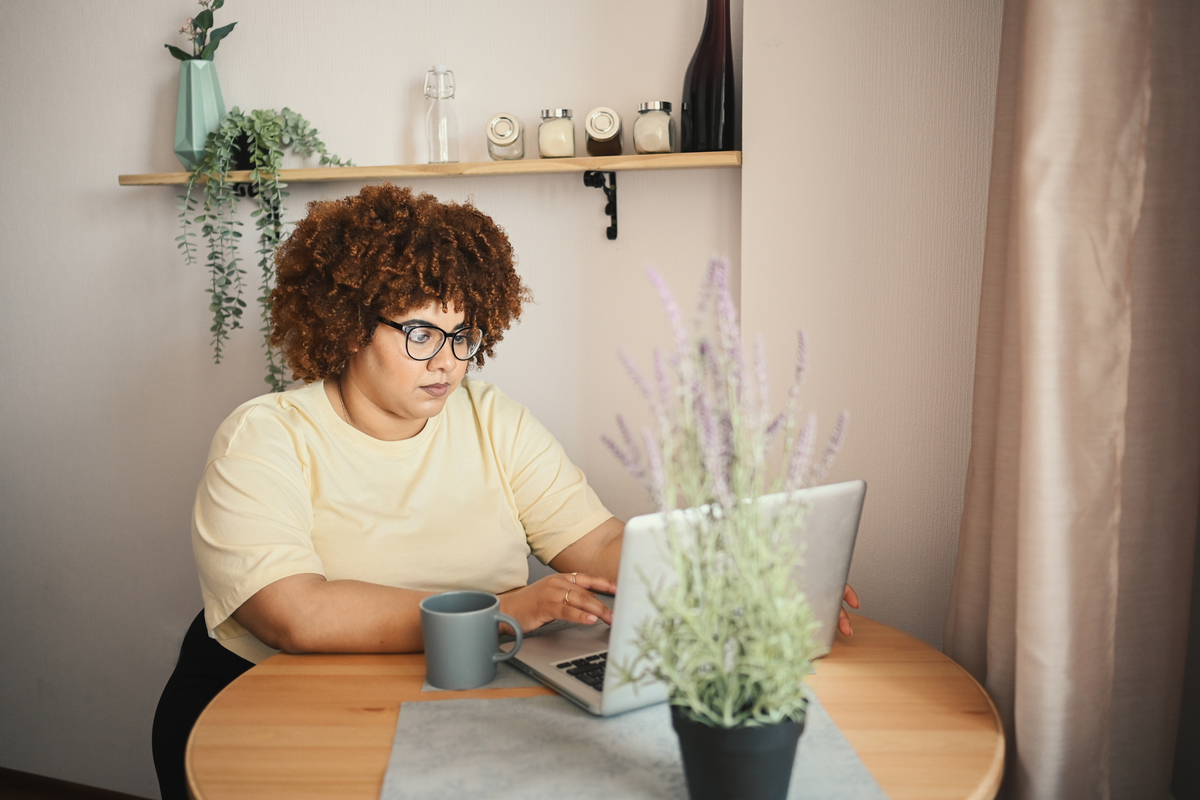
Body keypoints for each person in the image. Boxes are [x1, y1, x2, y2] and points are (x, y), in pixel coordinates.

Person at [151, 183, 858, 799]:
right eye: (422, 332)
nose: (448, 362)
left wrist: (742, 580)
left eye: (464, 336)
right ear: (347, 320)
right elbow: (296, 614)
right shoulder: (265, 436)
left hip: (455, 704)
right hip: (277, 717)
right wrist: (502, 613)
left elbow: (604, 543)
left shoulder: (492, 418)